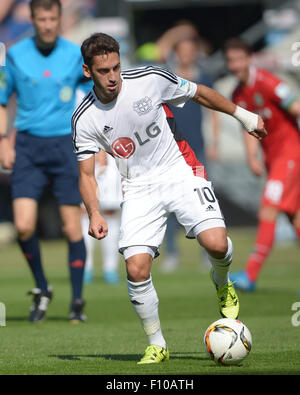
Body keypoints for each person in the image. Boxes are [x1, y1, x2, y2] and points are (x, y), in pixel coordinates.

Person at [73, 33, 266, 364]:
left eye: (116, 67)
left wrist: (244, 116)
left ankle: (222, 281)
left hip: (179, 171)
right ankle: (157, 343)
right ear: (88, 71)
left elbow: (200, 93)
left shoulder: (149, 78)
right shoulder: (83, 118)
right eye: (104, 70)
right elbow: (87, 174)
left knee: (217, 244)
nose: (113, 76)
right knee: (135, 269)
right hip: (138, 188)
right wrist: (94, 213)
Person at [0, 0, 91, 323]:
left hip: (65, 146)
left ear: (60, 19)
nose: (48, 24)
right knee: (24, 225)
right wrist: (2, 140)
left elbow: (96, 96)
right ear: (33, 20)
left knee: (71, 227)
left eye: (53, 18)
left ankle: (77, 301)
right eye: (42, 19)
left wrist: (100, 145)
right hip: (26, 146)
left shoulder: (75, 54)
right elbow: (1, 100)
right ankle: (42, 286)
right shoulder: (14, 55)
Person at [224, 37, 300, 292]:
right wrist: (251, 157)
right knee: (295, 217)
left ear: (249, 59)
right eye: (230, 60)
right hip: (273, 159)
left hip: (290, 155)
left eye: (238, 59)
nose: (234, 65)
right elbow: (247, 129)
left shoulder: (268, 83)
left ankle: (250, 274)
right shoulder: (237, 93)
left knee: (268, 208)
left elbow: (295, 106)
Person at [161, 37, 220, 272]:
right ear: (176, 53)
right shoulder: (168, 79)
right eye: (182, 50)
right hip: (171, 153)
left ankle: (208, 253)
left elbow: (213, 111)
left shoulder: (203, 78)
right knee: (170, 206)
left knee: (203, 203)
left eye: (190, 50)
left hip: (197, 151)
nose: (186, 55)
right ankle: (172, 254)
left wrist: (215, 142)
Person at [80, 149, 122, 284]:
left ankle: (110, 269)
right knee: (85, 212)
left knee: (110, 212)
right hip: (85, 152)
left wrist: (103, 151)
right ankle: (85, 268)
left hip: (111, 157)